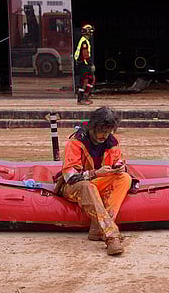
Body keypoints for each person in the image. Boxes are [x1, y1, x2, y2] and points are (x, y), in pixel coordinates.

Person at [59, 106, 131, 255]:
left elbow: (118, 161)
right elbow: (69, 177)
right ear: (93, 126)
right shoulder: (76, 142)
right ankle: (111, 236)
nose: (104, 135)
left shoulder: (111, 141)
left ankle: (99, 229)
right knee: (87, 187)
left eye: (107, 131)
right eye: (101, 131)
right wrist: (95, 173)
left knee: (124, 178)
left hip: (97, 181)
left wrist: (119, 167)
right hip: (74, 186)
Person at [74, 24, 96, 105]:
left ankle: (86, 96)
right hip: (83, 64)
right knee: (84, 81)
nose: (91, 34)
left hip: (84, 64)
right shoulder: (84, 41)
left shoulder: (85, 40)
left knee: (91, 79)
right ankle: (81, 99)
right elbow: (85, 54)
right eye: (90, 32)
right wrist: (91, 64)